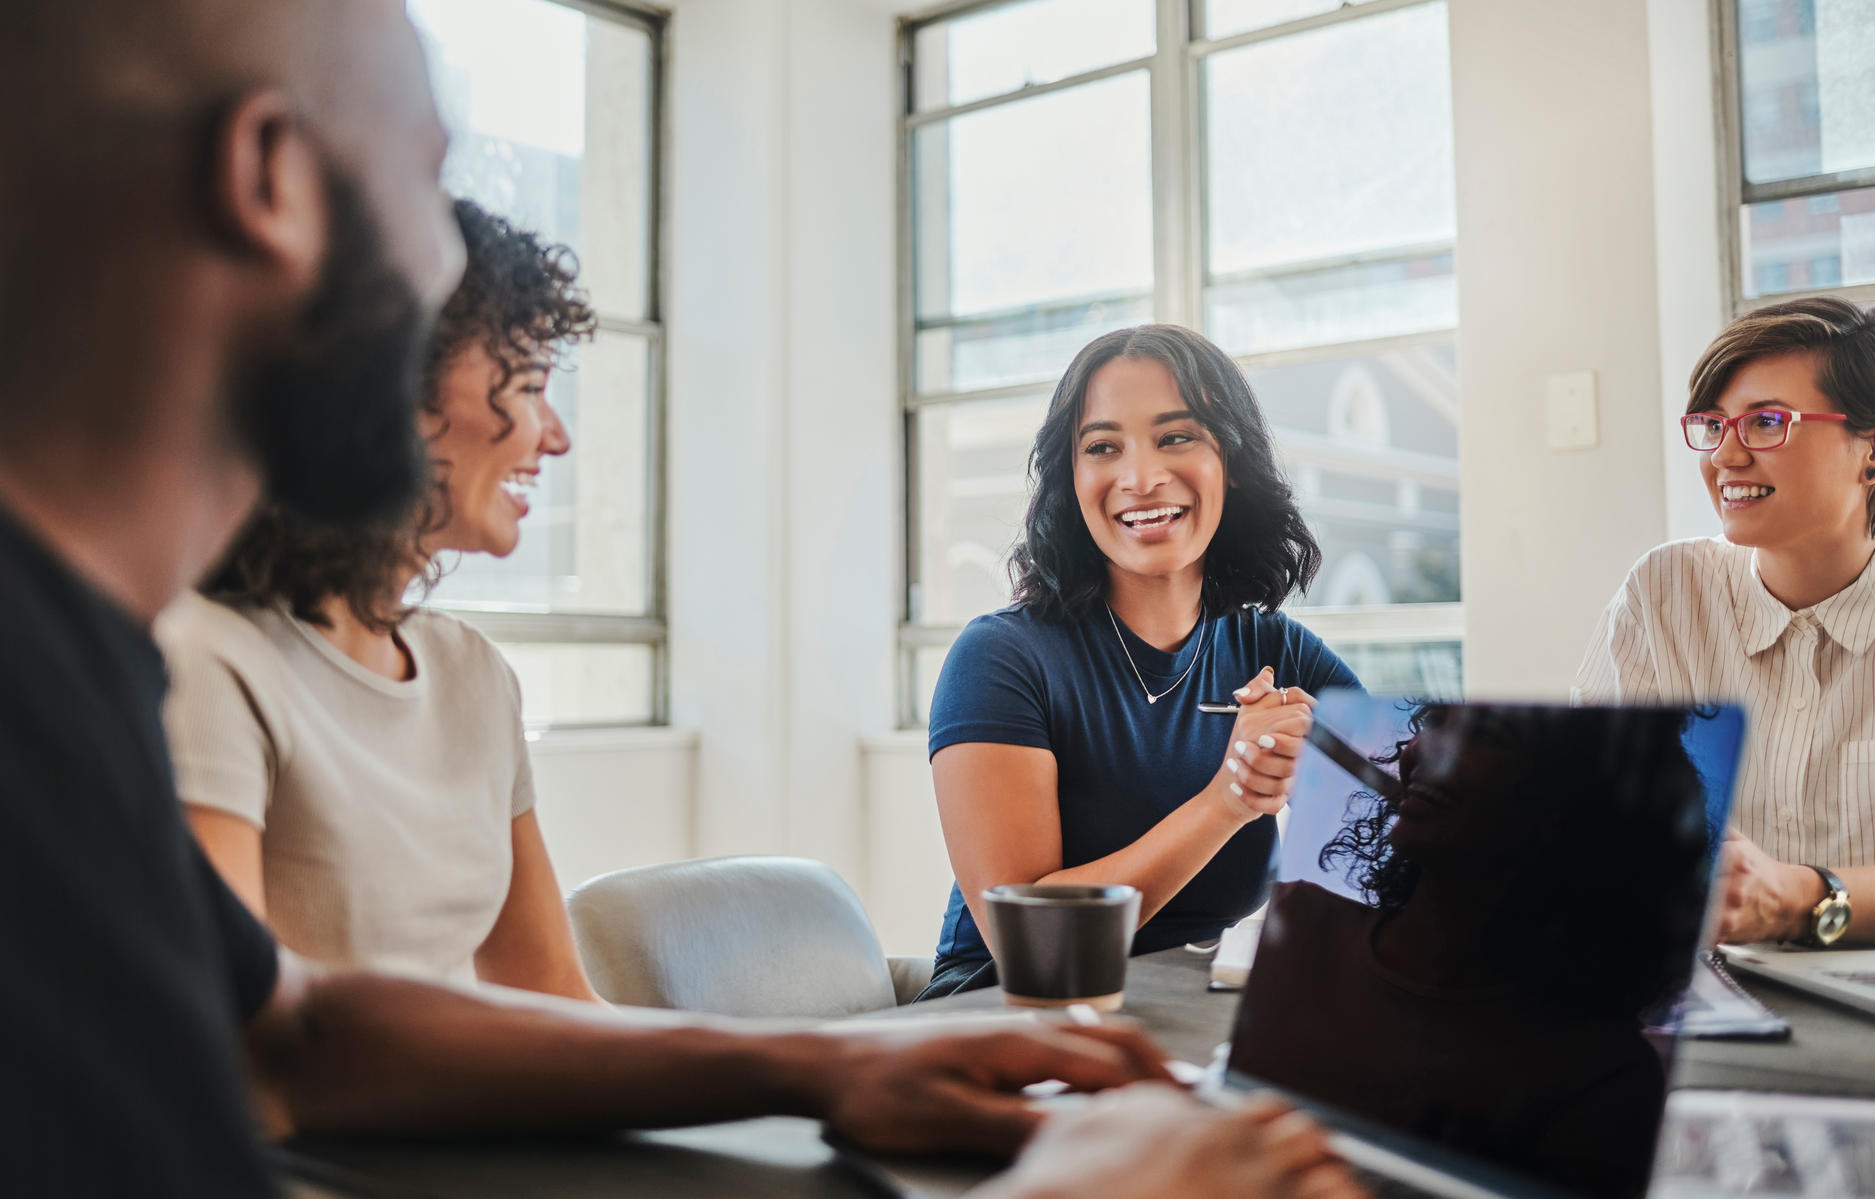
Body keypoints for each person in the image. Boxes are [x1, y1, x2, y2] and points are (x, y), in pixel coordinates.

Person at [0, 2, 1359, 1196]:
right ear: (274, 180)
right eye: (426, 184)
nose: (452, 271)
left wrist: (827, 1069)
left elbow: (293, 1029)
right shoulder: (103, 691)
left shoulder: (86, 659)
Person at [159, 199, 601, 999]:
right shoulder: (208, 661)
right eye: (530, 382)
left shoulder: (474, 674)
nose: (556, 435)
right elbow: (253, 1040)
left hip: (478, 1126)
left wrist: (780, 1076)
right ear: (402, 386)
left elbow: (556, 995)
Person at [923, 324, 1360, 999]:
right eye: (1103, 447)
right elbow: (1029, 938)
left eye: (1177, 436)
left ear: (1231, 459)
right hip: (1012, 1012)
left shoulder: (1278, 651)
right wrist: (1232, 797)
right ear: (1072, 479)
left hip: (1195, 1009)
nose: (1141, 477)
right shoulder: (1000, 659)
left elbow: (1414, 827)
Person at [1237, 704, 1712, 1197]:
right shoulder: (1294, 919)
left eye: (1486, 735)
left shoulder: (1601, 1078)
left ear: (1578, 803)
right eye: (1436, 722)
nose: (1422, 750)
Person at [1574, 298, 1875, 946]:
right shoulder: (1664, 594)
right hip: (1694, 997)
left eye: (1766, 422)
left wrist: (1799, 897)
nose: (1724, 457)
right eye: (1713, 424)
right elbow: (1590, 811)